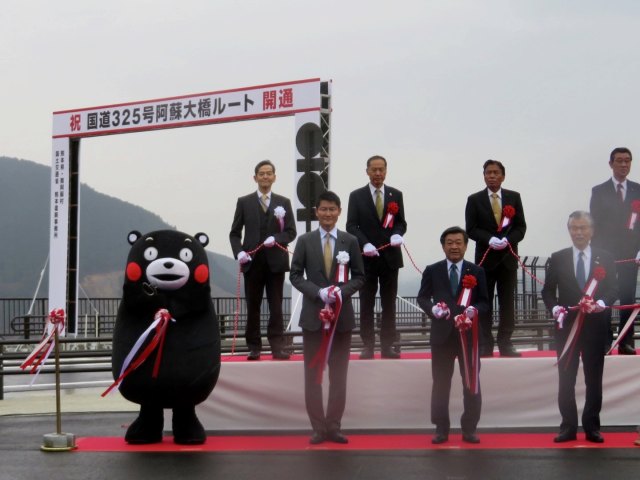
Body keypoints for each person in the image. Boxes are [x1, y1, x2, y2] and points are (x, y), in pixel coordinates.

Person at [289, 191, 365, 444]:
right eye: (323, 209)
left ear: (339, 212)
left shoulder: (350, 241)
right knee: (313, 376)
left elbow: (360, 276)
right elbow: (295, 275)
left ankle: (334, 426)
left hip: (341, 320)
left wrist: (341, 292)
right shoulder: (305, 241)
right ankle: (318, 428)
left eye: (332, 209)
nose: (328, 213)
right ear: (316, 212)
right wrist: (318, 292)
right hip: (313, 319)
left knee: (338, 377)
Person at [541, 211, 618, 443]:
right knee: (566, 379)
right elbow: (547, 291)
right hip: (567, 328)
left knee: (594, 379)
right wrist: (554, 308)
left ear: (592, 231)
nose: (579, 232)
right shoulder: (558, 257)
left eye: (583, 228)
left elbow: (613, 289)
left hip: (595, 327)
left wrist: (602, 303)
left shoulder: (605, 257)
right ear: (569, 231)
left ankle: (592, 427)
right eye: (574, 228)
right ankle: (568, 427)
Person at [417, 226, 489, 445]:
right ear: (443, 246)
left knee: (471, 383)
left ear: (466, 246)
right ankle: (441, 428)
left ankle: (469, 428)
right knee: (440, 384)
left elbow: (485, 302)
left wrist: (473, 310)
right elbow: (422, 298)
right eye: (449, 243)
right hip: (442, 336)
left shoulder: (477, 271)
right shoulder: (432, 270)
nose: (454, 246)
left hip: (469, 336)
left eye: (458, 242)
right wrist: (432, 309)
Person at [229, 160, 297, 360]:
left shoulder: (284, 202)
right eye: (262, 173)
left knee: (276, 306)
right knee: (253, 306)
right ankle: (254, 346)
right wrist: (239, 252)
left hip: (276, 262)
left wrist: (276, 238)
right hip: (252, 261)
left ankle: (277, 346)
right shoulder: (244, 202)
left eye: (269, 173)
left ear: (274, 177)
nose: (265, 176)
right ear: (255, 177)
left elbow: (291, 232)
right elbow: (234, 233)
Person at [346, 155, 407, 359]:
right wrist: (364, 243)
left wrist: (398, 233)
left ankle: (387, 345)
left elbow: (401, 222)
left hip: (390, 258)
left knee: (389, 304)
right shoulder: (357, 196)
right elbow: (351, 225)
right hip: (367, 259)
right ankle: (368, 345)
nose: (378, 173)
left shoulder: (395, 194)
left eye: (381, 169)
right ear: (367, 171)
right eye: (374, 170)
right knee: (366, 303)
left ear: (386, 171)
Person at [465, 159, 527, 357]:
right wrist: (488, 238)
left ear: (503, 176)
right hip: (485, 260)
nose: (491, 176)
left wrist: (508, 240)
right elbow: (471, 229)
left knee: (507, 303)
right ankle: (485, 343)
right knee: (484, 302)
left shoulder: (514, 197)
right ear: (484, 176)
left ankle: (505, 342)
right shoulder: (474, 199)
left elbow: (521, 227)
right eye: (488, 173)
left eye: (495, 172)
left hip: (508, 259)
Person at [590, 147, 639, 355]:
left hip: (630, 255)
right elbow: (594, 224)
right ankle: (604, 340)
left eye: (627, 160)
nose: (624, 164)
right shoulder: (599, 191)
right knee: (605, 296)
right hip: (606, 254)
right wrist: (597, 252)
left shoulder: (638, 190)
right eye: (619, 160)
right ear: (611, 164)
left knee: (628, 297)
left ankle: (625, 340)